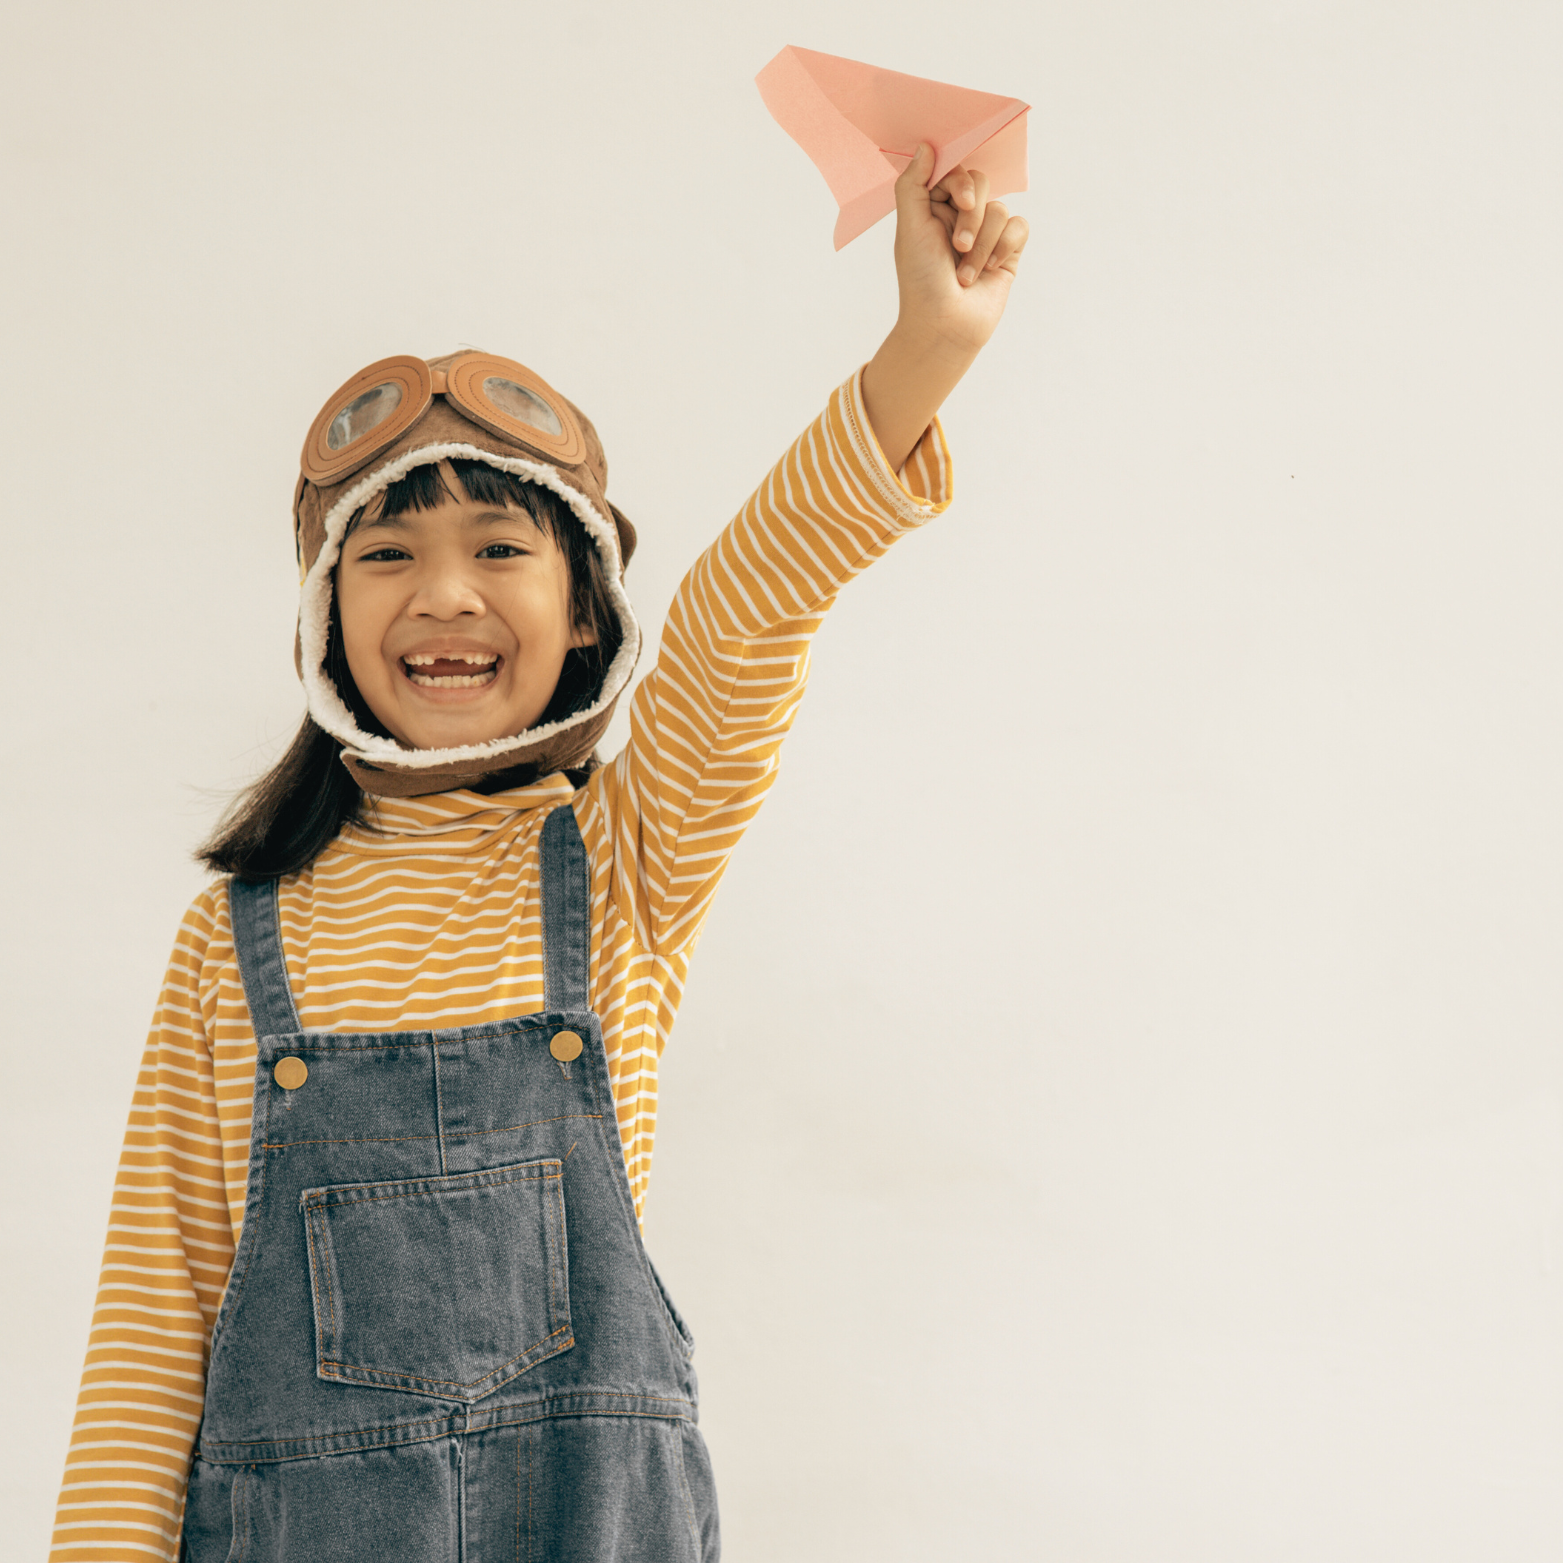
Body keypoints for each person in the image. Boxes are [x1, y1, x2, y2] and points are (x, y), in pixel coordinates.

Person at [51, 143, 1028, 1563]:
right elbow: (149, 1340)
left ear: (583, 604)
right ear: (327, 613)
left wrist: (925, 345)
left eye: (500, 546)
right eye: (384, 554)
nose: (442, 595)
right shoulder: (235, 935)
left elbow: (748, 609)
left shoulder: (629, 855)